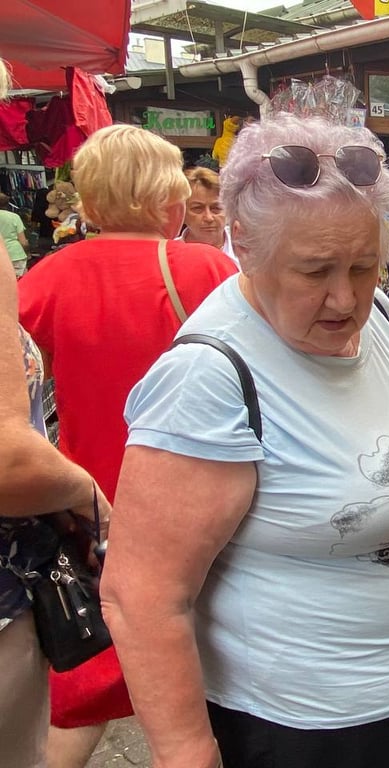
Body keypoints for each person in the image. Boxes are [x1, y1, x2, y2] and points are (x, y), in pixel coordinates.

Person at [102, 114, 389, 768]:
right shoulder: (209, 378)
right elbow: (140, 597)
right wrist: (187, 751)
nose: (345, 298)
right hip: (306, 726)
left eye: (364, 265)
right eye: (314, 271)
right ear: (245, 246)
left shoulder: (375, 314)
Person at [17, 124, 238, 768]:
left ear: (90, 200)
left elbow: (25, 384)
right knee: (207, 657)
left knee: (92, 671)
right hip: (197, 495)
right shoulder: (207, 270)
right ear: (166, 198)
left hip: (91, 506)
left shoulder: (45, 279)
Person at [0, 58, 113, 768]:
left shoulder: (47, 274)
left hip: (80, 452)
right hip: (78, 491)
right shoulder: (211, 274)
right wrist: (80, 492)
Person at [179, 166, 239, 267]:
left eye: (216, 208)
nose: (209, 218)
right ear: (182, 213)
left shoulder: (250, 252)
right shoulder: (166, 258)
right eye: (197, 208)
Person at [0, 193, 30, 277]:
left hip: (2, 256)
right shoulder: (14, 217)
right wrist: (27, 253)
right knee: (19, 281)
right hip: (16, 254)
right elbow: (23, 241)